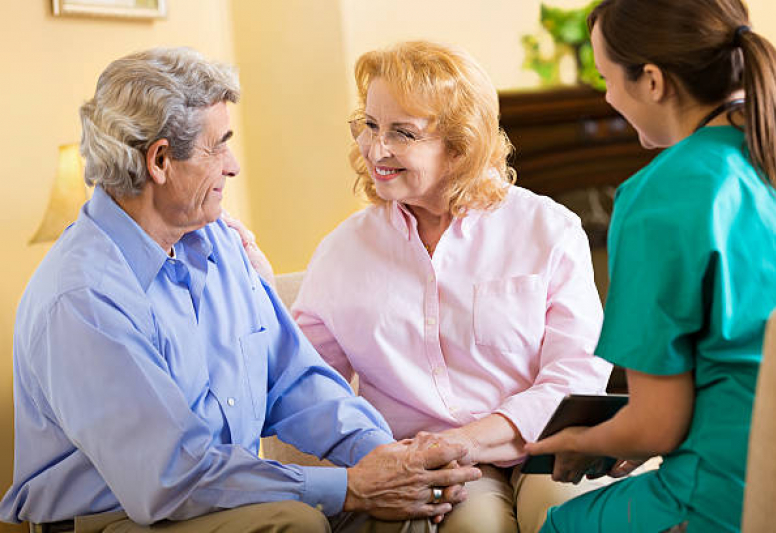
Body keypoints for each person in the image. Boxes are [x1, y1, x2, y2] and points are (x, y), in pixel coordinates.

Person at [0, 47, 482, 533]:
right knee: (295, 523)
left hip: (223, 495)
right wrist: (352, 486)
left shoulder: (216, 241)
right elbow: (173, 476)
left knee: (410, 511)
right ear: (161, 160)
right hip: (116, 516)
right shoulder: (83, 298)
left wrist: (385, 458)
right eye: (218, 146)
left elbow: (293, 380)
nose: (232, 165)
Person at [281, 41, 613, 533]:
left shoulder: (548, 229)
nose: (376, 148)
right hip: (432, 465)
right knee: (476, 524)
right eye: (369, 126)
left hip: (542, 443)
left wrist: (473, 439)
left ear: (460, 145)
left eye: (402, 133)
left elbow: (578, 372)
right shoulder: (343, 250)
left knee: (568, 513)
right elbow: (301, 382)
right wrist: (384, 454)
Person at [524, 1, 776, 531]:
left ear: (652, 80)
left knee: (556, 524)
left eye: (606, 78)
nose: (606, 97)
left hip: (727, 496)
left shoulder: (662, 194)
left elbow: (656, 426)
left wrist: (582, 440)